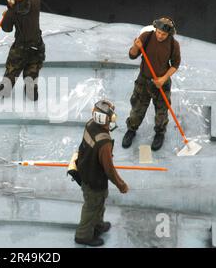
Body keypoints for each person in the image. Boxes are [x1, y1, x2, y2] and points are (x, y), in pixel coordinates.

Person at [72, 100, 129, 247]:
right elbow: (109, 170)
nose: (113, 118)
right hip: (95, 179)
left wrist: (106, 104)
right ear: (105, 120)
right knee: (92, 206)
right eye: (111, 117)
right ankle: (83, 236)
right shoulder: (104, 142)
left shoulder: (90, 124)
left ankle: (97, 224)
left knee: (98, 203)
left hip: (85, 170)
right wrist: (121, 185)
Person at [122, 17, 181, 151]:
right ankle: (131, 130)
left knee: (162, 110)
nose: (160, 36)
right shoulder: (146, 36)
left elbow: (175, 65)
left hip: (161, 82)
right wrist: (135, 47)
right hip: (143, 80)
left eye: (164, 34)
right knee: (137, 108)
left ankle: (160, 133)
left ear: (169, 34)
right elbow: (132, 55)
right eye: (158, 32)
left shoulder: (173, 44)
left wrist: (163, 79)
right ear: (156, 29)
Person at [0, 0, 45, 101]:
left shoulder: (11, 13)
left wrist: (5, 17)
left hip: (21, 48)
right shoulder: (36, 1)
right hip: (37, 45)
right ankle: (31, 92)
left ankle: (4, 90)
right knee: (33, 69)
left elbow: (7, 29)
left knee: (12, 69)